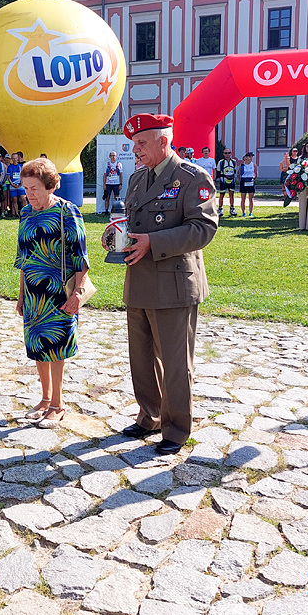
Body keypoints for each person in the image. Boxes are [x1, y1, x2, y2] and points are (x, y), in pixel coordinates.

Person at [115, 113, 218, 455]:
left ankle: (176, 428)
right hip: (140, 279)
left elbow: (203, 228)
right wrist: (117, 237)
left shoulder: (191, 177)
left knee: (174, 361)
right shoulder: (136, 179)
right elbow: (135, 221)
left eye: (141, 143)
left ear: (164, 141)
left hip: (174, 283)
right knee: (141, 358)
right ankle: (150, 416)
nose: (136, 150)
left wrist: (152, 243)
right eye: (134, 144)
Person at [16, 158, 90, 429]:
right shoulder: (26, 213)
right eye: (25, 188)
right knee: (37, 346)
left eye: (34, 188)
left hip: (59, 292)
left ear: (50, 186)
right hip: (34, 292)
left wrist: (78, 293)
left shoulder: (66, 212)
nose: (29, 194)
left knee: (56, 347)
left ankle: (58, 405)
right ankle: (45, 399)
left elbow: (80, 256)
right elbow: (23, 258)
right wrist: (22, 295)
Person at [216, 148, 238, 217]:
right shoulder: (221, 162)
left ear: (231, 153)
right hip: (223, 181)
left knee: (231, 194)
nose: (227, 154)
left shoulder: (234, 161)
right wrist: (224, 176)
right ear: (223, 154)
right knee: (221, 195)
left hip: (231, 181)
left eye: (229, 153)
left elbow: (234, 171)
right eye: (226, 153)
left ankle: (232, 209)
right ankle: (220, 209)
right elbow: (218, 173)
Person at [7, 151, 24, 218]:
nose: (14, 159)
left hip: (20, 185)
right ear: (11, 159)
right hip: (13, 185)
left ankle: (24, 212)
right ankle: (16, 213)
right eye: (13, 158)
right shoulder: (9, 167)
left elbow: (23, 176)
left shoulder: (21, 166)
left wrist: (20, 184)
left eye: (16, 158)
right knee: (14, 200)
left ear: (18, 158)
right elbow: (8, 177)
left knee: (23, 198)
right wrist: (12, 184)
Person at [239, 152, 256, 217]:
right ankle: (243, 212)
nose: (250, 158)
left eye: (251, 157)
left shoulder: (253, 165)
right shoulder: (242, 165)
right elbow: (239, 174)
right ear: (245, 158)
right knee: (243, 198)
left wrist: (253, 179)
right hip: (244, 181)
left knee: (251, 198)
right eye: (249, 156)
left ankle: (250, 212)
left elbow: (256, 174)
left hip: (250, 181)